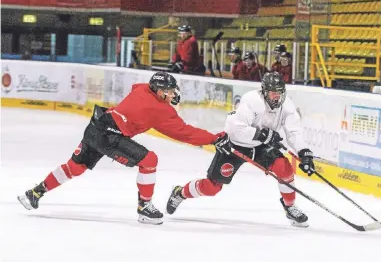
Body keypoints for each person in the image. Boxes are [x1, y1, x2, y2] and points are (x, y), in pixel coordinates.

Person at [17, 72, 229, 225]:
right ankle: (144, 207)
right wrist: (213, 138)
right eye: (170, 91)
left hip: (97, 124)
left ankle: (34, 193)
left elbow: (136, 91)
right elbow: (185, 133)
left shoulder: (141, 88)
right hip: (111, 135)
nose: (173, 94)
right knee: (149, 161)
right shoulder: (161, 111)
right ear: (159, 91)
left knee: (75, 167)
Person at [166, 72, 315, 227]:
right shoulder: (252, 100)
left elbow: (294, 132)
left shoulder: (287, 105)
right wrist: (261, 134)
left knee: (285, 169)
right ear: (264, 92)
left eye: (280, 93)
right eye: (273, 93)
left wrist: (304, 153)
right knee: (212, 188)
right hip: (234, 144)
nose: (277, 97)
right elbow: (235, 129)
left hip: (259, 146)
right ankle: (180, 193)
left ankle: (290, 207)